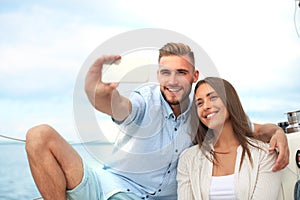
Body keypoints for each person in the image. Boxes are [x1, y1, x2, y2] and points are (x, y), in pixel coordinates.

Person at [25, 43, 288, 200]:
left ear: (194, 75)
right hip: (109, 185)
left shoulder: (202, 115)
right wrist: (99, 95)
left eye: (181, 73)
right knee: (39, 135)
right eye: (166, 73)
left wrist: (276, 130)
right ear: (158, 74)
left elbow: (246, 127)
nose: (173, 81)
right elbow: (121, 107)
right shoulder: (145, 101)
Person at [177, 77, 283, 200]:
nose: (205, 106)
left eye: (213, 97)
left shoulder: (264, 154)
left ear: (229, 100)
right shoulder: (188, 159)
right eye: (199, 103)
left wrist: (278, 131)